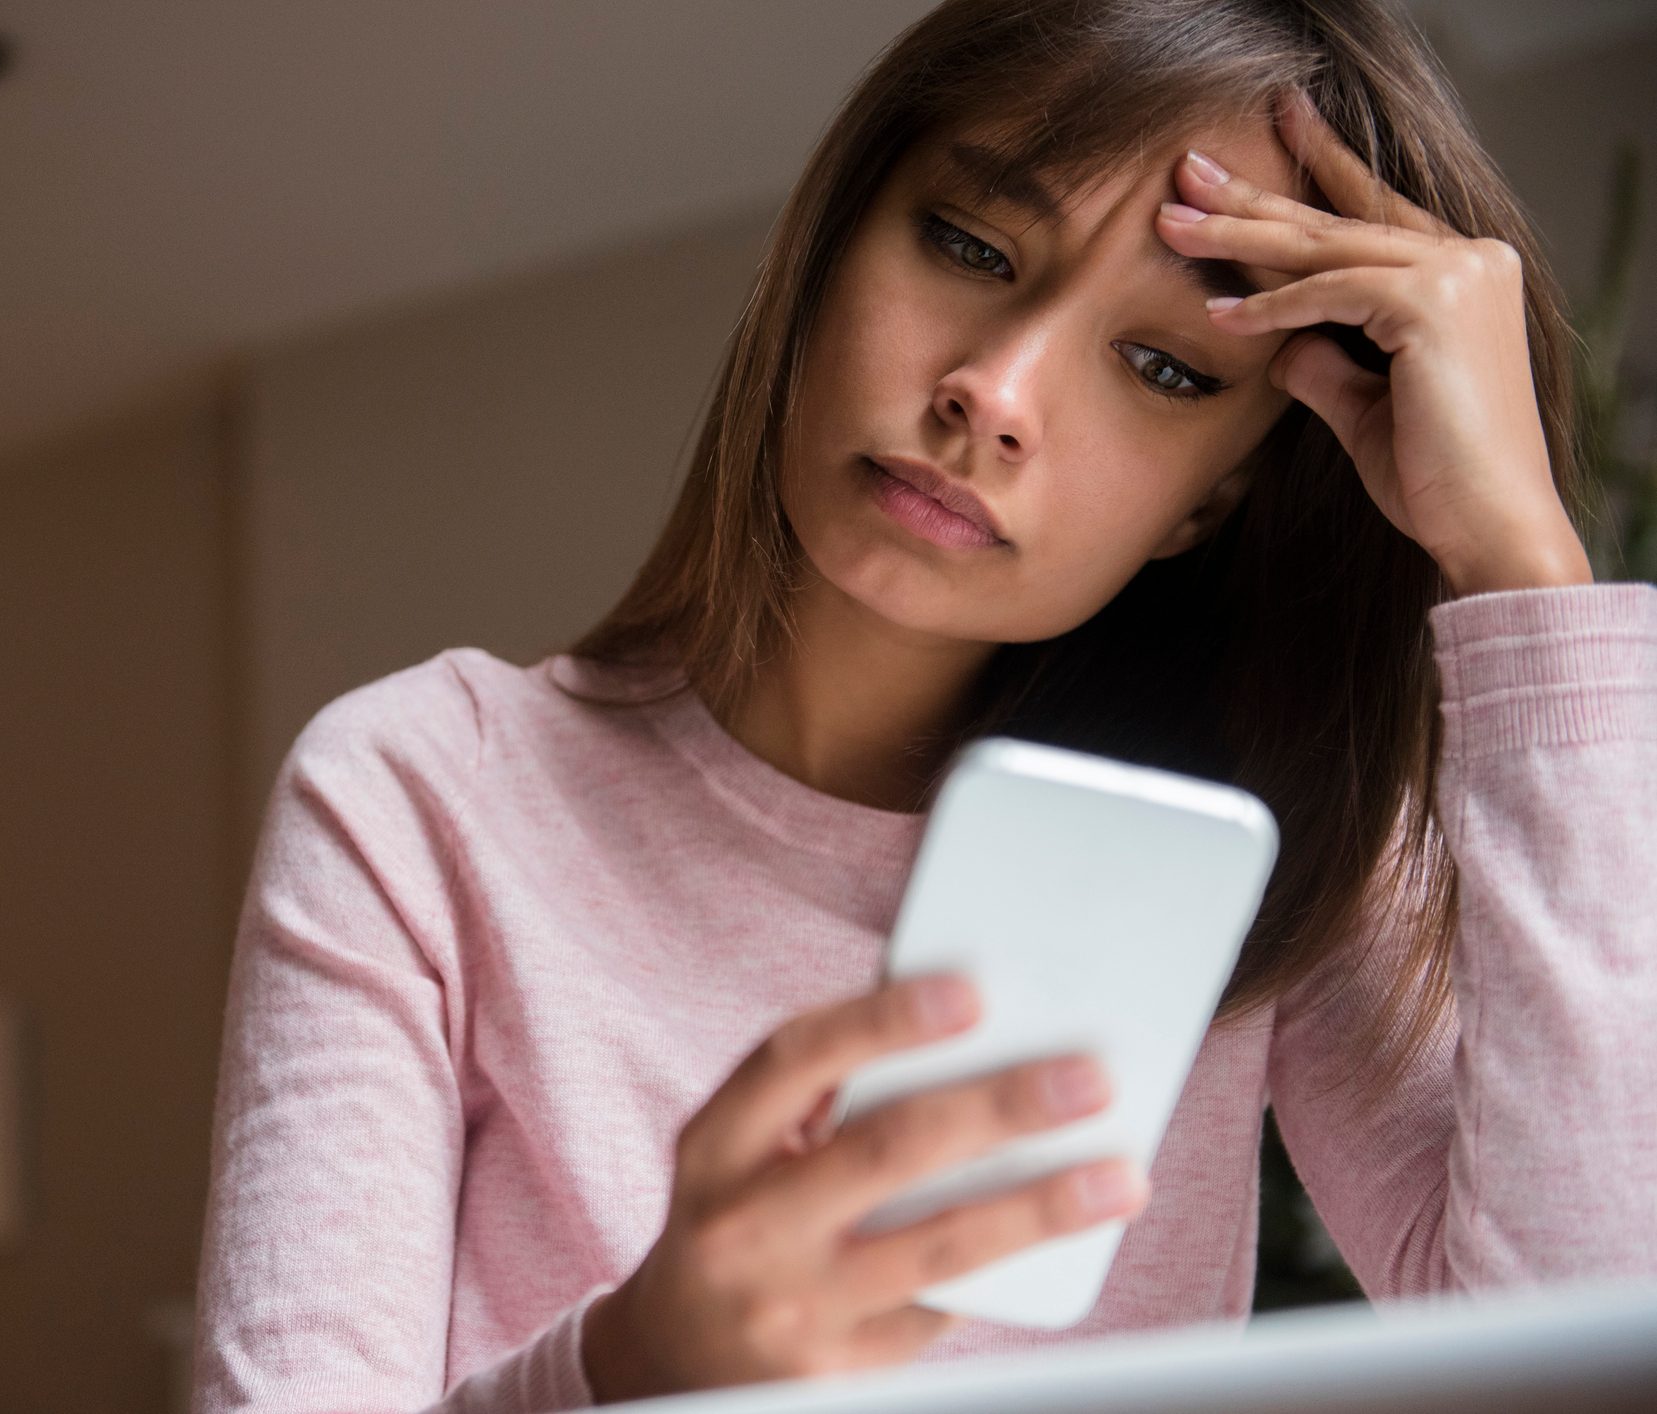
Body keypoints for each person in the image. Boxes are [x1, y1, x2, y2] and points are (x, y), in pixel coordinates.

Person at [189, 1, 1657, 1409]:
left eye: (1161, 366)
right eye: (970, 243)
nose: (994, 392)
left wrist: (1518, 562)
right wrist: (629, 1368)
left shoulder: (1267, 843)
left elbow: (1575, 1358)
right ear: (826, 250)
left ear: (1206, 504)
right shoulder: (419, 793)